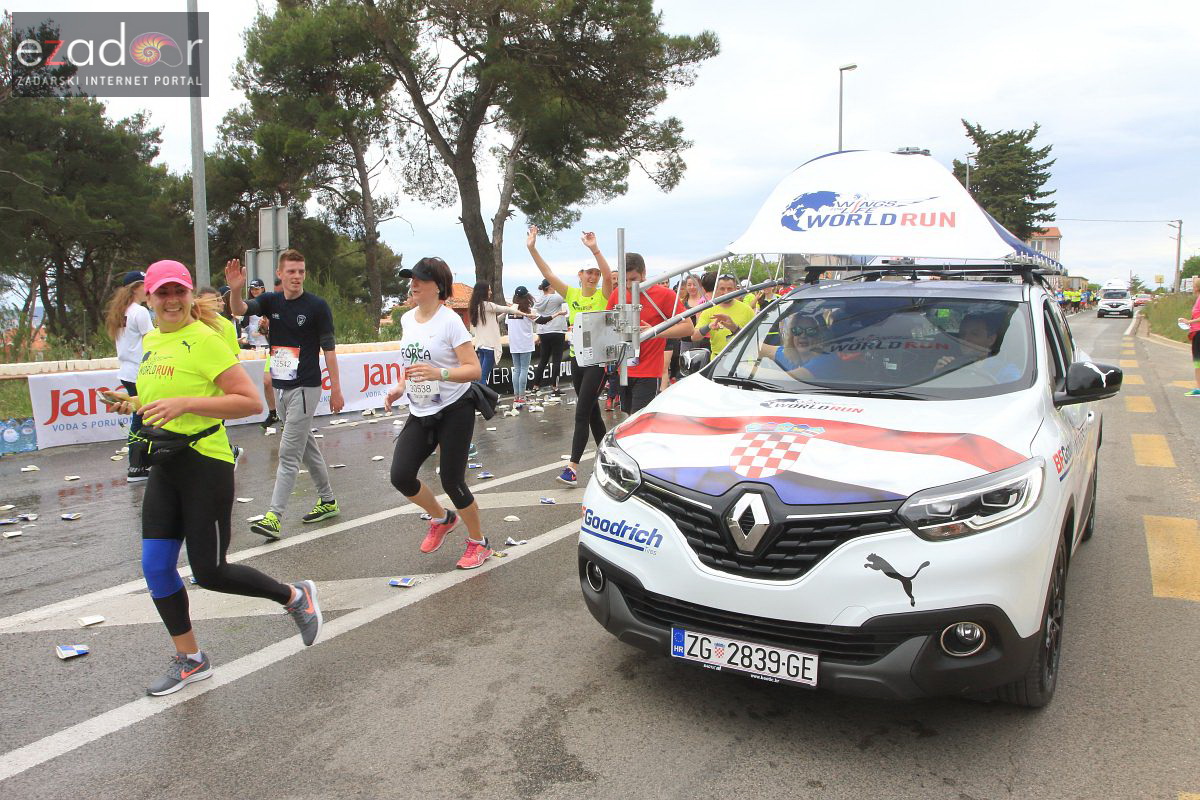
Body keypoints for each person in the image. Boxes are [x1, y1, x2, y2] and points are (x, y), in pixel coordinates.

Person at [109, 259, 322, 696]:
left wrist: (186, 404)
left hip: (206, 464)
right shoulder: (151, 341)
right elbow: (162, 397)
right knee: (155, 568)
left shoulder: (204, 341)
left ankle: (295, 597)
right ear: (147, 298)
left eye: (177, 292)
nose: (170, 301)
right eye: (161, 293)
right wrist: (128, 403)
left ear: (188, 296)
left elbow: (248, 403)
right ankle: (191, 659)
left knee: (209, 572)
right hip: (165, 464)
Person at [225, 250, 345, 541]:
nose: (297, 277)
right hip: (281, 386)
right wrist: (236, 288)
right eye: (291, 271)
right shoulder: (271, 301)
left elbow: (328, 348)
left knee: (288, 454)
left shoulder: (317, 306)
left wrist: (336, 389)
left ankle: (274, 518)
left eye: (301, 271)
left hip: (306, 387)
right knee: (306, 448)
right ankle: (328, 501)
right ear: (279, 274)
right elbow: (240, 309)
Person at [385, 257, 494, 569]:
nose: (413, 284)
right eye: (411, 279)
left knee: (452, 481)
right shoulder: (407, 320)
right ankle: (441, 518)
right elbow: (412, 364)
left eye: (420, 279)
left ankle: (479, 542)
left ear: (439, 287)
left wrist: (440, 374)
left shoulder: (450, 322)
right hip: (421, 408)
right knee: (401, 475)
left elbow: (473, 369)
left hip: (455, 407)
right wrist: (399, 386)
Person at [527, 226, 615, 486]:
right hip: (577, 360)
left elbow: (610, 276)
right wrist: (532, 248)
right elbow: (547, 273)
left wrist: (595, 249)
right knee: (592, 415)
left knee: (581, 413)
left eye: (596, 273)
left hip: (597, 362)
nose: (594, 277)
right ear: (580, 275)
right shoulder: (572, 294)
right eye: (589, 272)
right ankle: (608, 460)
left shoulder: (604, 295)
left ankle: (572, 468)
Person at [607, 253, 694, 414]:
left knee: (640, 418)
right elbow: (607, 324)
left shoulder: (665, 294)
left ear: (644, 272)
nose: (628, 285)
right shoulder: (617, 294)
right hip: (624, 368)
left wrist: (654, 331)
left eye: (633, 279)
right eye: (623, 279)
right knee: (627, 417)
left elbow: (688, 328)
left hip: (649, 371)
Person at [104, 270, 152, 482]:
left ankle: (138, 463)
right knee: (141, 418)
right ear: (136, 287)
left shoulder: (121, 311)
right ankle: (136, 465)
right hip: (139, 370)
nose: (149, 290)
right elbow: (153, 340)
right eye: (145, 285)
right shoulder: (139, 312)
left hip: (126, 370)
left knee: (139, 416)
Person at [760, 312, 841, 380]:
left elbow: (787, 378)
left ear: (818, 337)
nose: (803, 335)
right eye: (797, 330)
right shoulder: (789, 354)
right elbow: (763, 349)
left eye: (810, 331)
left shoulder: (825, 360)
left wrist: (748, 371)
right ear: (792, 336)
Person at [468, 282, 521, 387]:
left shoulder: (477, 306)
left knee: (480, 376)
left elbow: (495, 320)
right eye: (489, 290)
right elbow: (505, 308)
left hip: (481, 346)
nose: (490, 292)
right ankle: (483, 400)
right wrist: (524, 313)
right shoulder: (487, 305)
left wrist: (505, 313)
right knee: (483, 377)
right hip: (490, 348)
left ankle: (480, 398)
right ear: (483, 292)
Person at [692, 273, 755, 357]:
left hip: (741, 359)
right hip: (717, 360)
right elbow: (694, 337)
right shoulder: (708, 310)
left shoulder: (747, 310)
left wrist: (735, 328)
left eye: (729, 289)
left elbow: (756, 337)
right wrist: (709, 326)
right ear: (716, 289)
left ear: (735, 289)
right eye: (722, 289)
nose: (726, 292)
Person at [530, 279, 566, 394]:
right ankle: (555, 386)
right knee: (556, 360)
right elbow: (567, 296)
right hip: (557, 331)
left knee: (543, 360)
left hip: (543, 332)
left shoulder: (539, 300)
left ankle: (536, 385)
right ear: (550, 286)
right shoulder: (555, 297)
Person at [508, 286, 537, 407]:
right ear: (527, 297)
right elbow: (536, 321)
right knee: (524, 369)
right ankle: (522, 396)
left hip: (513, 343)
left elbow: (506, 324)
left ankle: (516, 396)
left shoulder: (509, 310)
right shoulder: (529, 310)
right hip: (525, 343)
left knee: (517, 369)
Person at [1178, 277, 1200, 397]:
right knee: (1197, 363)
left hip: (1199, 333)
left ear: (1196, 287)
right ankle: (1198, 387)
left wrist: (1189, 322)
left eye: (1194, 285)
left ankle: (1199, 388)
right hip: (1196, 332)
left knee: (1198, 362)